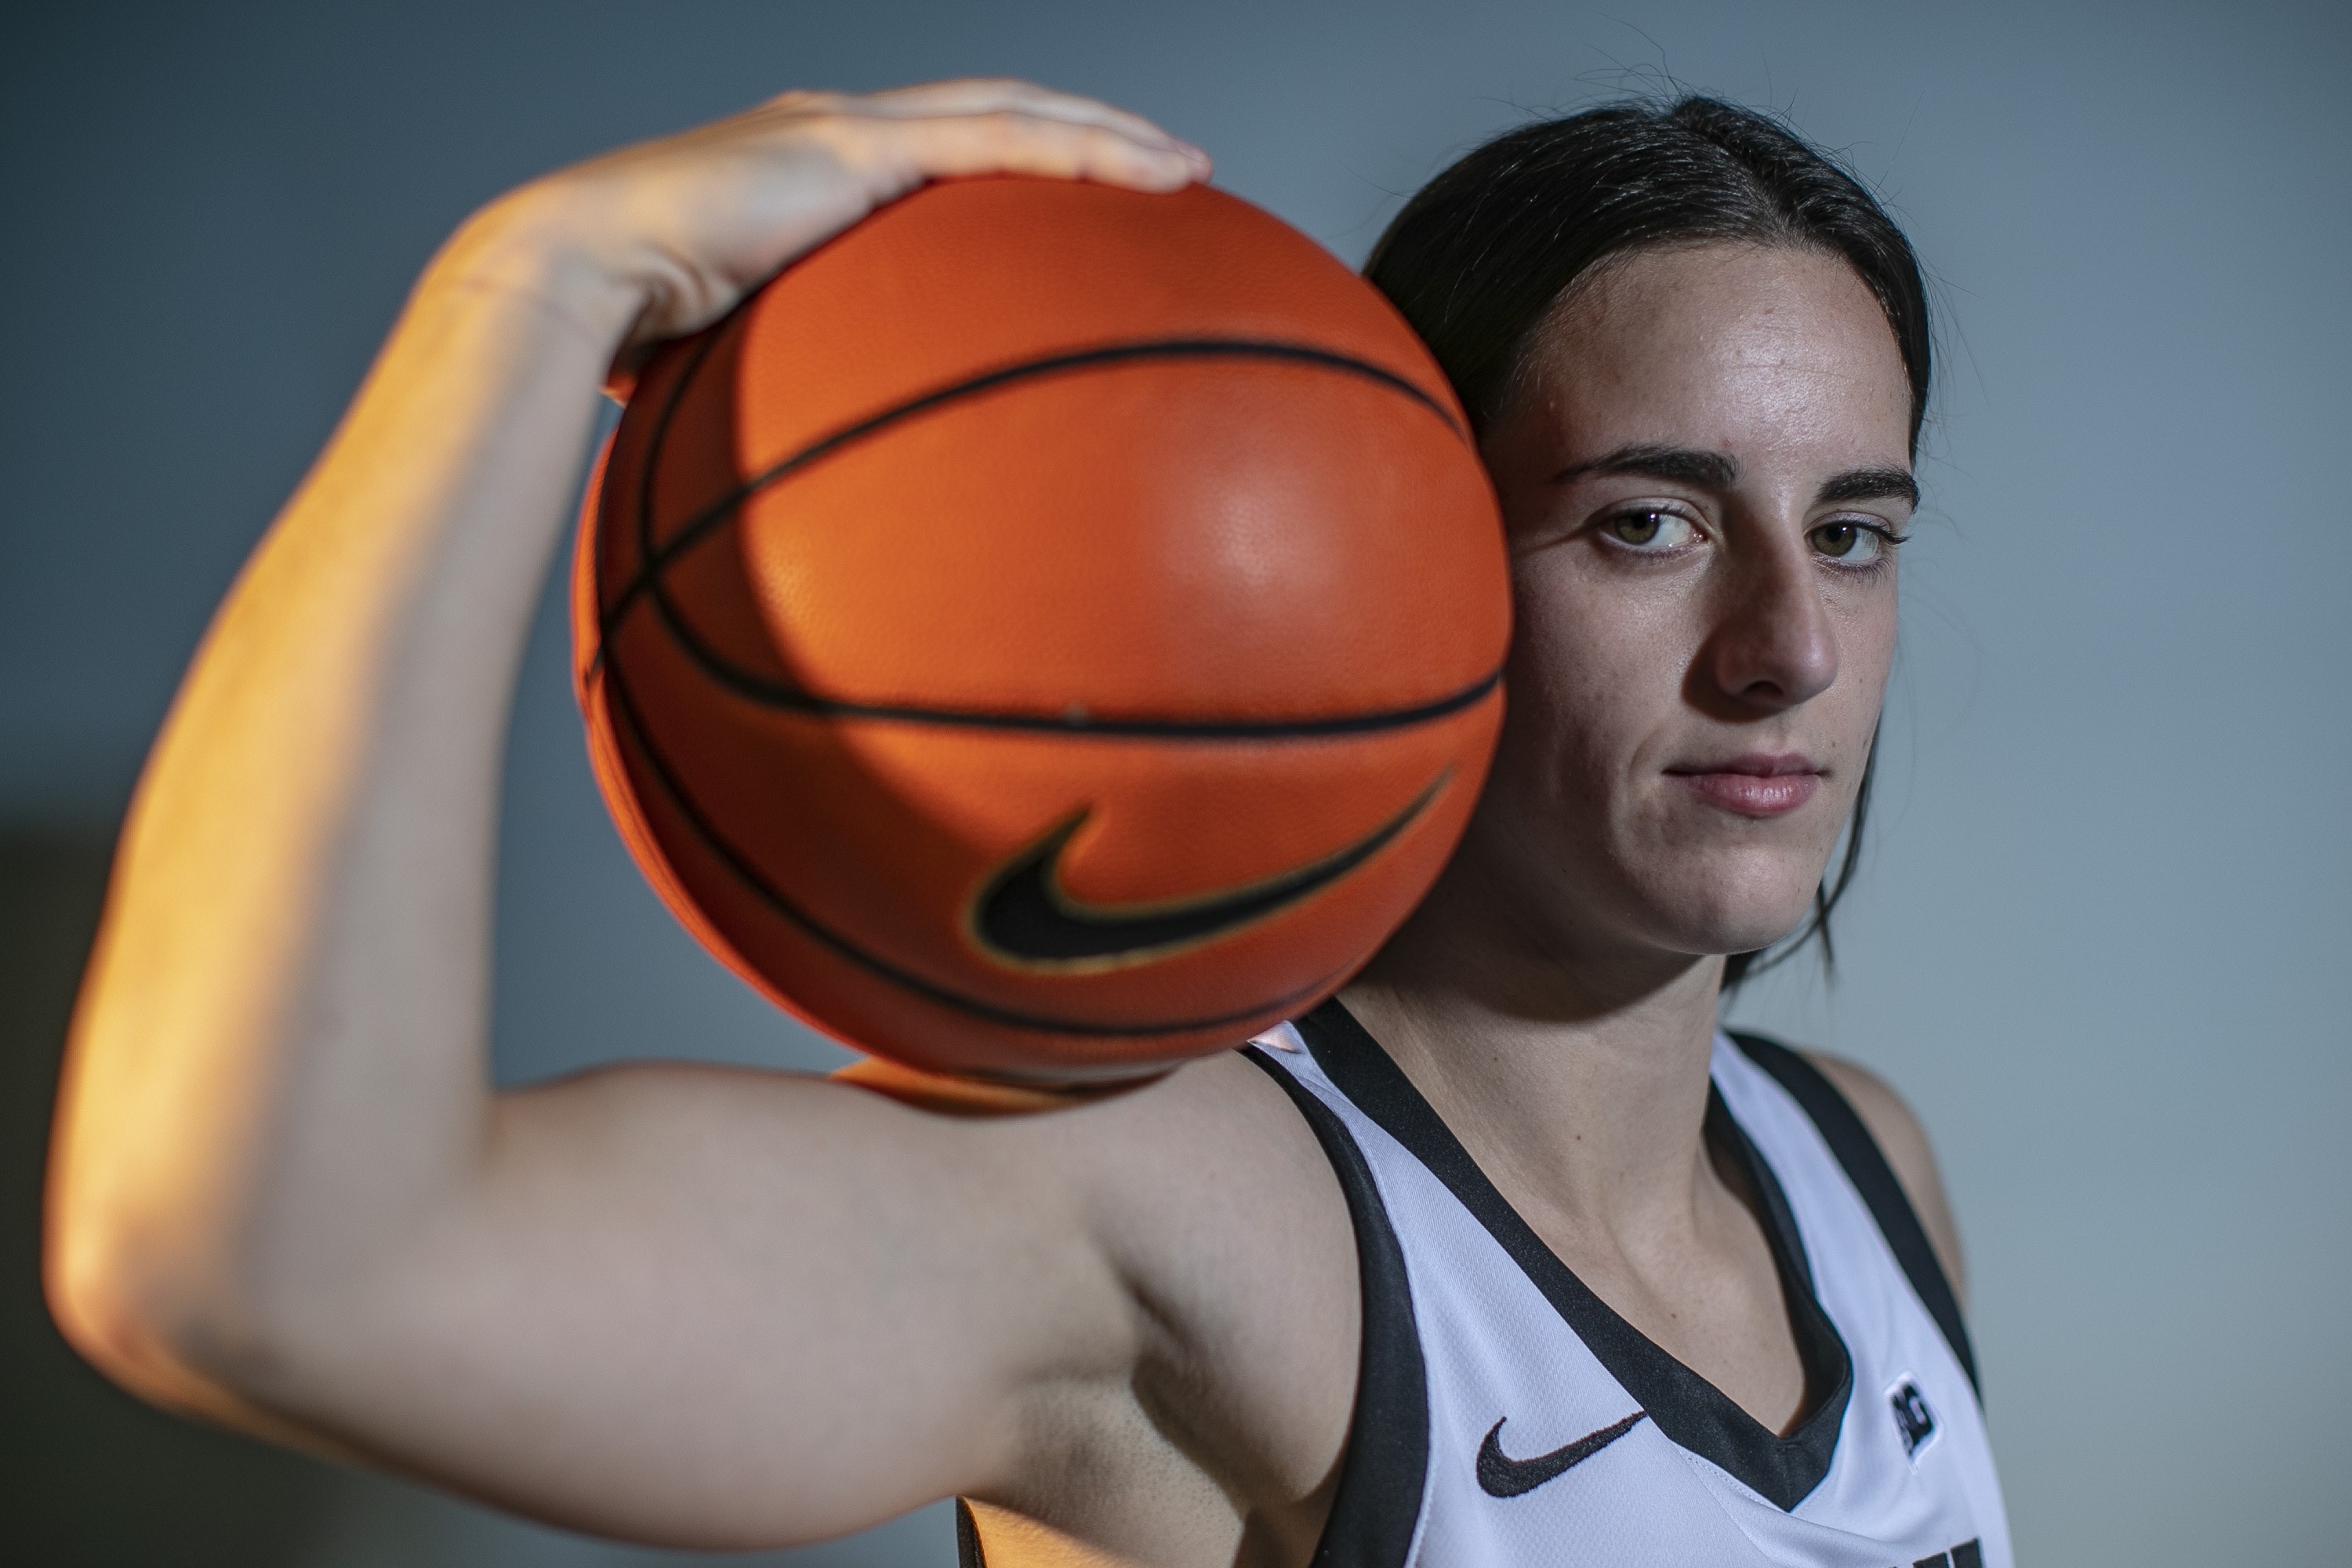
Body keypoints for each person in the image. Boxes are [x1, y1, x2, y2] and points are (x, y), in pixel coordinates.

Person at [45, 79, 2007, 1566]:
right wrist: (528, 296)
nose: (1790, 646)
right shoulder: (1192, 1210)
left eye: (1854, 533)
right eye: (1646, 524)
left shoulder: (1859, 1169)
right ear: (1419, 552)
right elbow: (252, 1263)